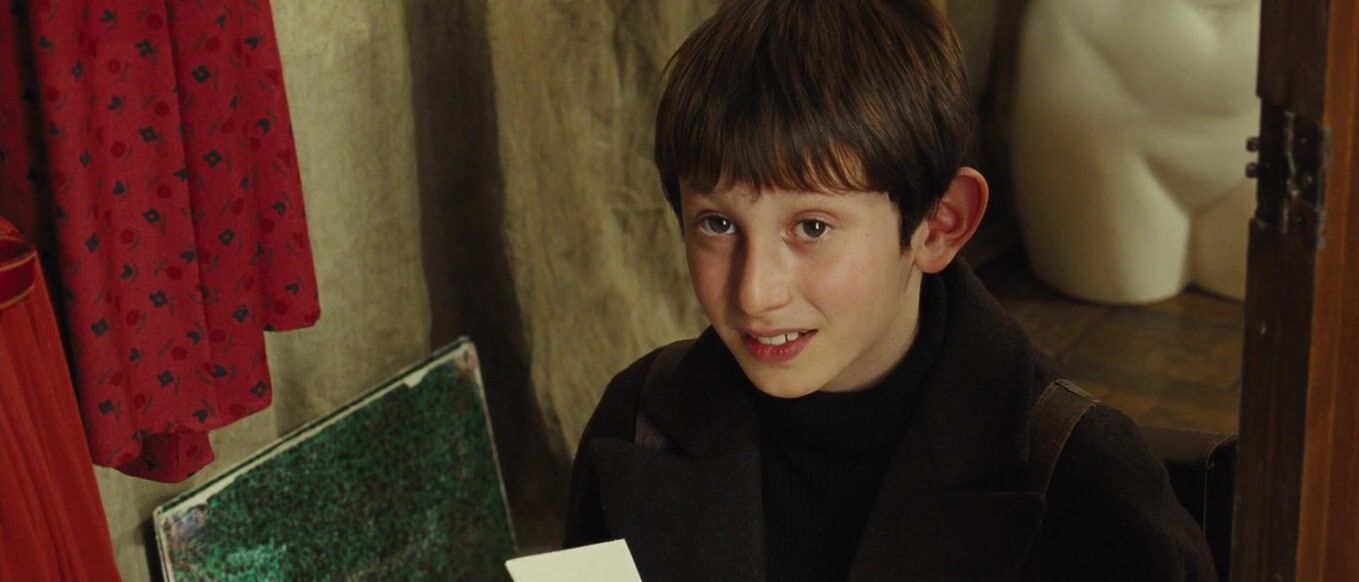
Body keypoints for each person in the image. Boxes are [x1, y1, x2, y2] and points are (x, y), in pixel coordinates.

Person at [563, 1, 1218, 580]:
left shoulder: (1084, 483)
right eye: (718, 224)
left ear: (938, 225)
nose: (755, 293)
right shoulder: (636, 422)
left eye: (812, 227)